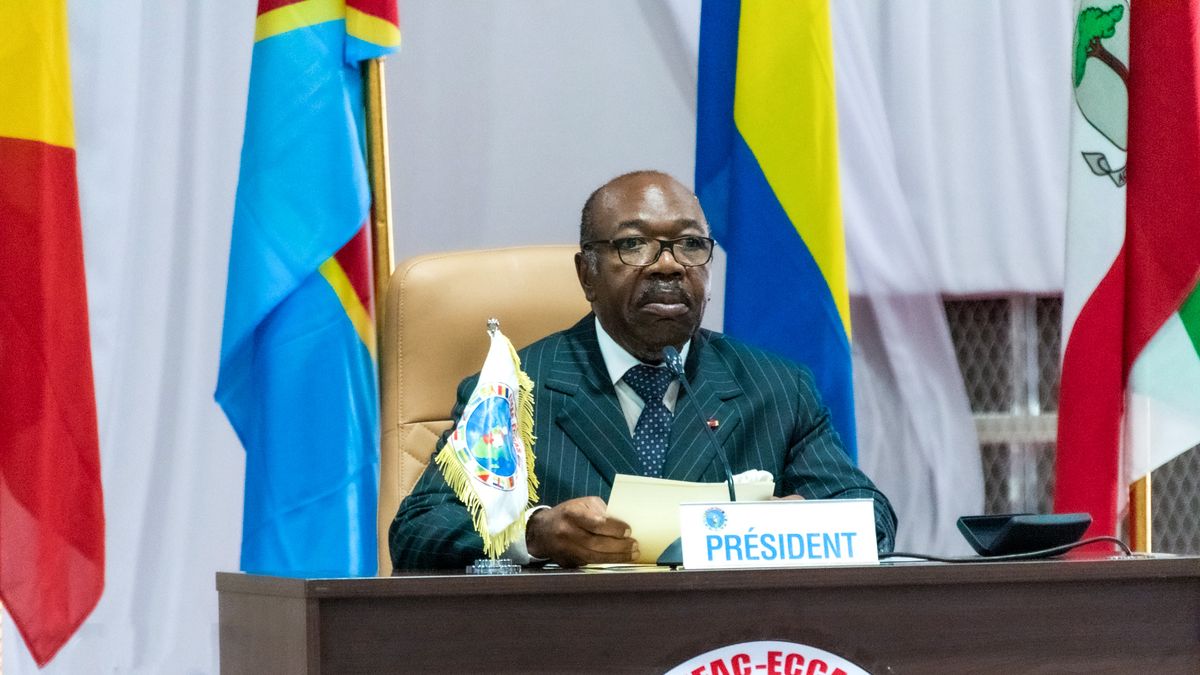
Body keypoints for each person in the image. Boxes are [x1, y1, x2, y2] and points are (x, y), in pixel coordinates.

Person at [389, 170, 896, 569]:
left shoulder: (777, 387)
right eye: (634, 245)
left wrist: (798, 524)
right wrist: (535, 533)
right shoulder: (517, 389)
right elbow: (419, 528)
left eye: (691, 245)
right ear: (587, 273)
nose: (669, 264)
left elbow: (871, 517)